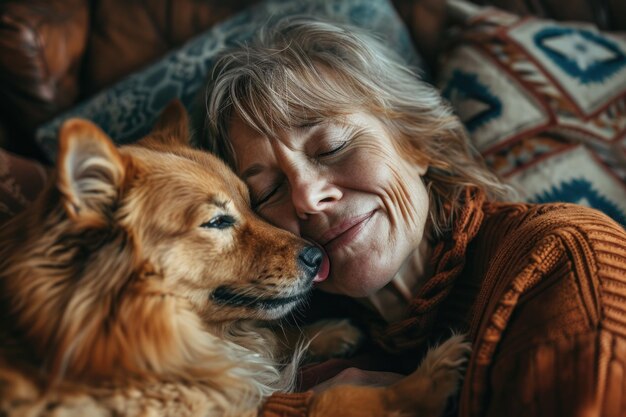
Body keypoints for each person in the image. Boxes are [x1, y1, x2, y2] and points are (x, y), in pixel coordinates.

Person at [195, 17, 626, 417]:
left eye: (331, 147)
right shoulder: (318, 353)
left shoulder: (563, 261)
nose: (307, 198)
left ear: (416, 142)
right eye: (269, 191)